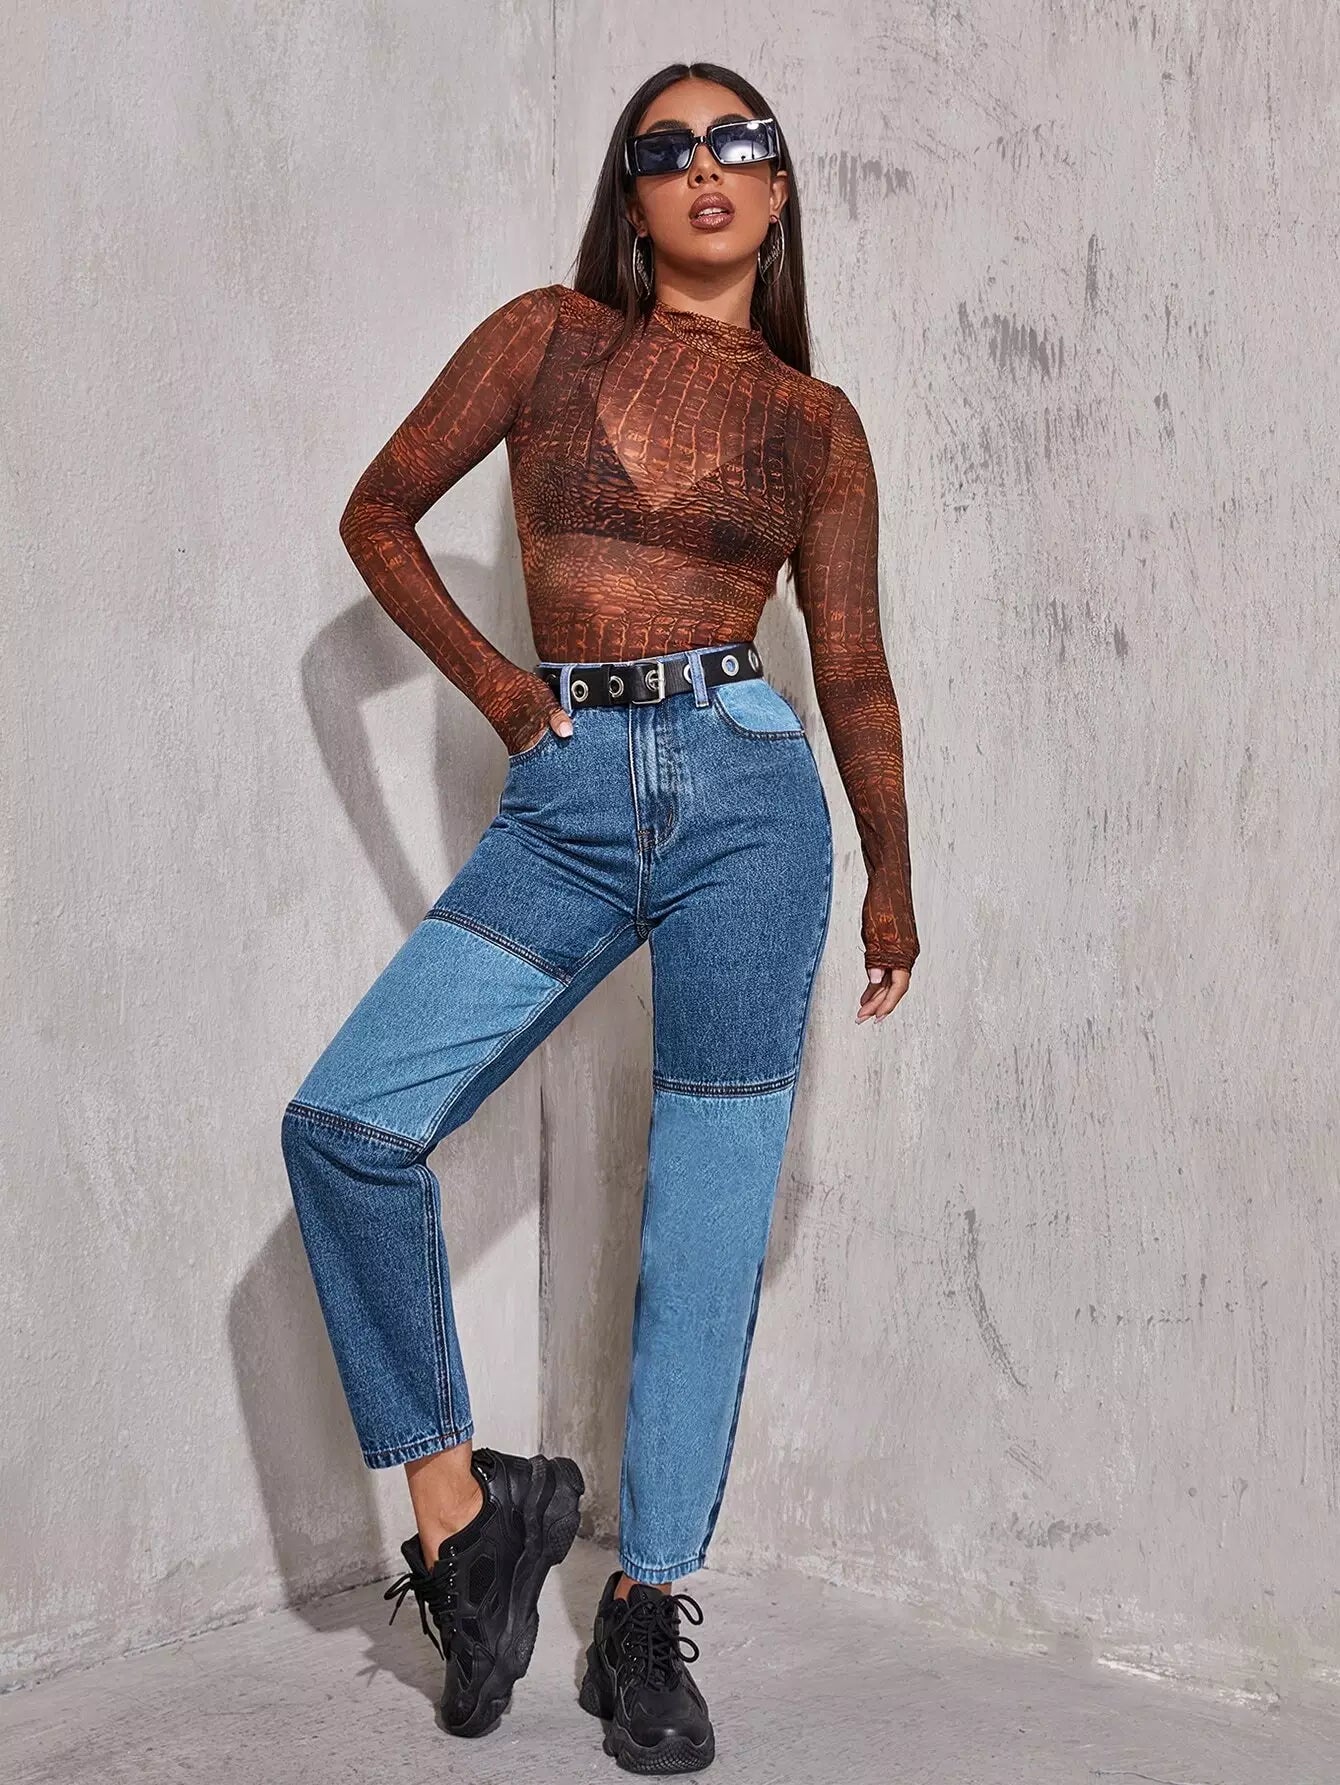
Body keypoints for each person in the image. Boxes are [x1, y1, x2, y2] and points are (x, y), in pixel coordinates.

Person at [280, 58, 919, 1776]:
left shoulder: (817, 423)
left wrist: (893, 872)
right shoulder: (545, 335)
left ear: (776, 190)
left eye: (738, 141)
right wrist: (503, 690)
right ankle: (465, 1513)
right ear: (631, 197)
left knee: (705, 1214)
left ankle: (645, 1609)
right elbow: (377, 511)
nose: (706, 164)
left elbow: (851, 666)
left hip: (750, 807)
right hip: (565, 803)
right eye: (666, 146)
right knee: (347, 1125)